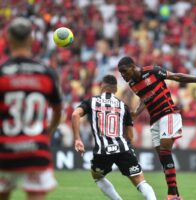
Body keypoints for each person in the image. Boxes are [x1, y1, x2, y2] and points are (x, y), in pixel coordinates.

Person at [118, 56, 196, 200]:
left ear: (133, 66)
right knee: (163, 158)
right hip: (155, 120)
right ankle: (175, 195)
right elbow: (145, 99)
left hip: (168, 113)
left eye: (124, 71)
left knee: (165, 151)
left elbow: (176, 77)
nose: (123, 75)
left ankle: (172, 195)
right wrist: (136, 113)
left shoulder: (152, 71)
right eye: (121, 73)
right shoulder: (133, 84)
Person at [0, 17, 62, 200]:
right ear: (32, 39)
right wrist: (47, 134)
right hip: (36, 149)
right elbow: (58, 111)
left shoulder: (2, 73)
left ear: (8, 38)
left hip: (5, 149)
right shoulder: (46, 73)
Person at [71, 75, 156, 200]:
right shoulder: (123, 106)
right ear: (116, 90)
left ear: (102, 86)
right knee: (140, 181)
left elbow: (75, 114)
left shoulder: (92, 101)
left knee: (98, 177)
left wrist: (78, 139)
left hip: (102, 151)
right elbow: (130, 136)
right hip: (123, 149)